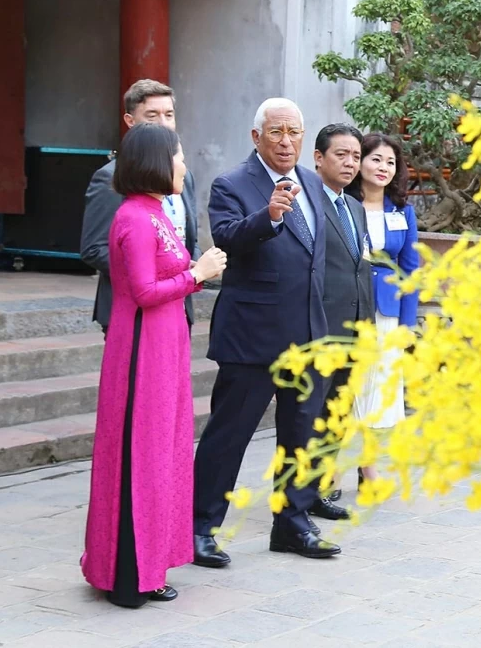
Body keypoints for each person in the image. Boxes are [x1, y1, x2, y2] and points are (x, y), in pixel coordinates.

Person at [81, 124, 228, 608]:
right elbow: (144, 292)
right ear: (155, 162)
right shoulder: (135, 217)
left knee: (162, 452)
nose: (184, 165)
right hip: (142, 351)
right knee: (141, 455)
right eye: (178, 156)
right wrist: (197, 273)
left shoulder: (154, 212)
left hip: (164, 348)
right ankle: (130, 573)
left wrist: (193, 273)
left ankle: (150, 563)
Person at [192, 98, 341, 564]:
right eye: (276, 132)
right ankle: (199, 528)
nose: (286, 141)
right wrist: (270, 216)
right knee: (229, 436)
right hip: (252, 335)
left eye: (294, 132)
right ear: (256, 137)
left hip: (307, 333)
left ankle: (291, 524)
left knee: (299, 435)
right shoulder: (232, 183)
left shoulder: (312, 183)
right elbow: (226, 238)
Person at [81, 80, 201, 334]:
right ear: (130, 121)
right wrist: (157, 272)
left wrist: (194, 264)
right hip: (132, 312)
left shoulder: (183, 175)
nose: (163, 124)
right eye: (152, 116)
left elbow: (189, 238)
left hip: (179, 304)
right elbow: (94, 248)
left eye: (169, 115)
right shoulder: (112, 178)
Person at [305, 123, 373, 514]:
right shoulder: (305, 202)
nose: (350, 163)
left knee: (338, 414)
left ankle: (318, 488)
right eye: (341, 155)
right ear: (319, 158)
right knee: (310, 414)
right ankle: (300, 492)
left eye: (355, 156)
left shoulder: (355, 207)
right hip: (319, 329)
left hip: (353, 330)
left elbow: (360, 268)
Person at [346, 133, 420, 482]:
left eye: (390, 162)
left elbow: (410, 269)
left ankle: (368, 465)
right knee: (349, 387)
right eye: (376, 159)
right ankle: (333, 469)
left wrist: (407, 323)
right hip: (348, 306)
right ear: (359, 162)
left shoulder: (403, 211)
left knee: (378, 390)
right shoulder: (343, 203)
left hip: (386, 310)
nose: (383, 167)